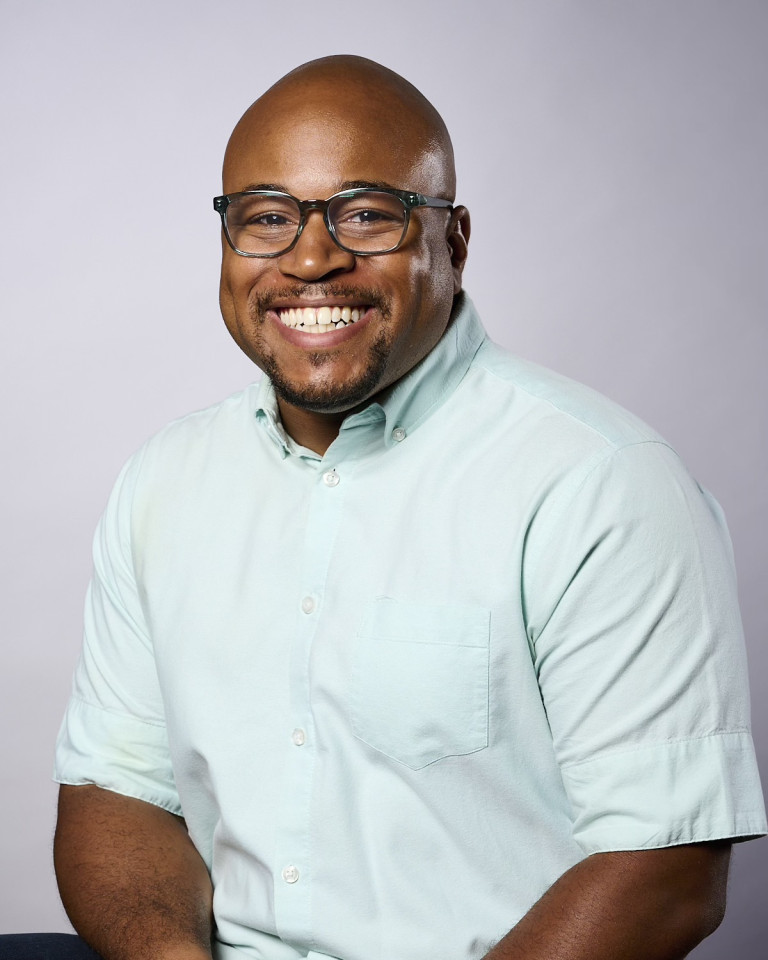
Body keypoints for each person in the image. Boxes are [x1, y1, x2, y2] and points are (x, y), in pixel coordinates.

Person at [11, 55, 767, 960]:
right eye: (267, 218)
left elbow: (666, 872)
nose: (311, 257)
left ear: (453, 242)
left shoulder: (602, 481)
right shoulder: (164, 480)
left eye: (367, 213)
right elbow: (115, 791)